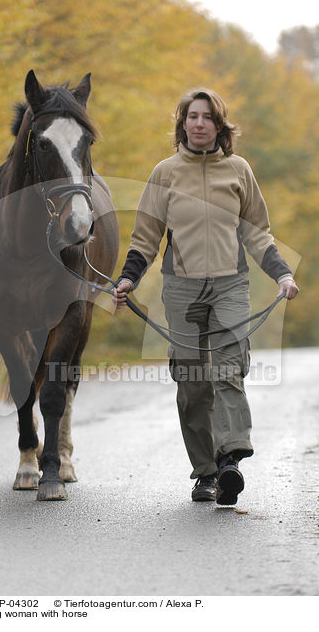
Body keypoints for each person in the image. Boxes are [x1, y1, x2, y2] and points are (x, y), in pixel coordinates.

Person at [114, 88, 299, 505]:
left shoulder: (238, 170)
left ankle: (231, 456)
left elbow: (257, 233)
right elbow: (145, 238)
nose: (199, 123)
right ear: (182, 124)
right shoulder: (164, 173)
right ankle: (207, 472)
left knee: (228, 369)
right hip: (181, 289)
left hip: (231, 285)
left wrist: (282, 274)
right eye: (192, 117)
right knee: (193, 381)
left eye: (207, 117)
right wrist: (128, 279)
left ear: (220, 125)